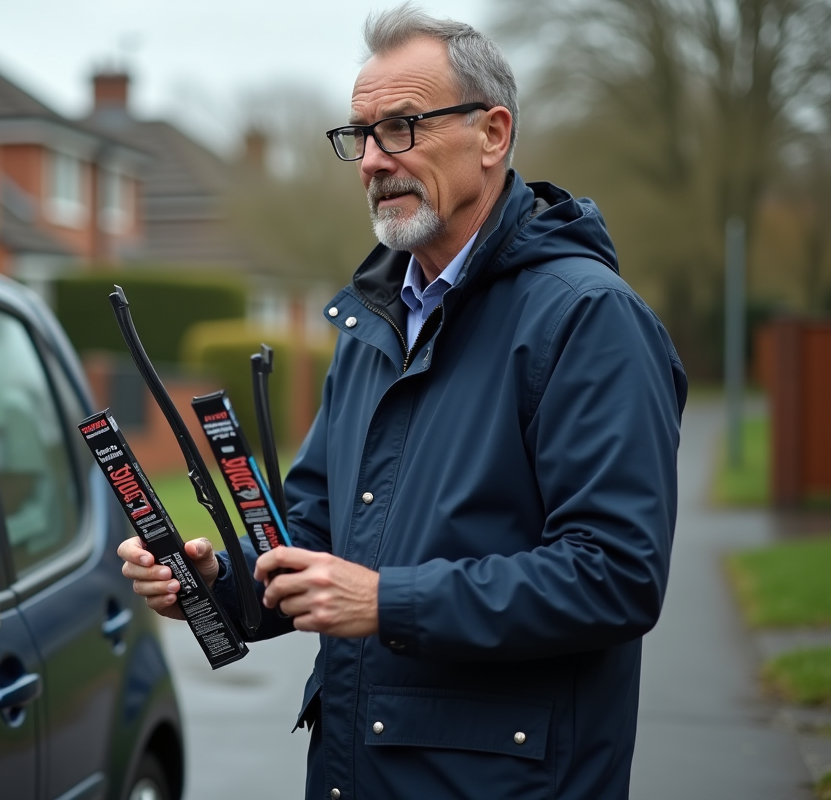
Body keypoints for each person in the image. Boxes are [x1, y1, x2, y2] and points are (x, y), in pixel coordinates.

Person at [118, 5, 687, 799]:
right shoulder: (375, 325)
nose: (374, 161)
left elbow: (615, 576)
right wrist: (213, 584)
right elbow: (313, 534)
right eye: (360, 135)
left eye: (405, 127)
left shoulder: (587, 319)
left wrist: (387, 601)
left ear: (493, 135)